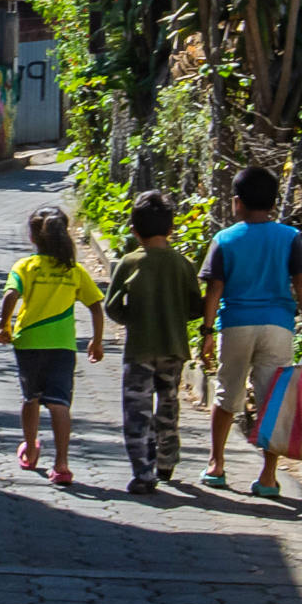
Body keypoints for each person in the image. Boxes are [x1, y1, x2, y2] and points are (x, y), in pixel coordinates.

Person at [198, 166, 302, 499]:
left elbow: (214, 289)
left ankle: (216, 464)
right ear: (274, 202)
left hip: (235, 324)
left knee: (226, 395)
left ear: (237, 203)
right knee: (272, 400)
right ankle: (267, 476)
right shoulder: (289, 237)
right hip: (278, 326)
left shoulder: (224, 239)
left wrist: (207, 331)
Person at [103, 190, 205, 495]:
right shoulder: (183, 263)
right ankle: (167, 459)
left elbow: (111, 306)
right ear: (171, 228)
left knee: (137, 410)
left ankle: (143, 473)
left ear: (134, 230)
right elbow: (195, 307)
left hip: (139, 349)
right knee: (169, 403)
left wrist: (131, 319)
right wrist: (174, 317)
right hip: (174, 347)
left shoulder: (129, 262)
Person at [0, 205, 106, 486]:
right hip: (62, 346)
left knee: (30, 397)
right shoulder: (74, 270)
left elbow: (11, 295)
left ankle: (31, 448)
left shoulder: (25, 267)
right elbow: (95, 305)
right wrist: (96, 340)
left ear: (33, 238)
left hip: (29, 343)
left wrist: (4, 325)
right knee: (60, 404)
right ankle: (62, 464)